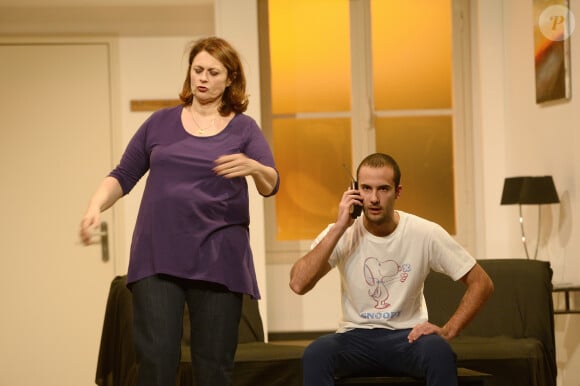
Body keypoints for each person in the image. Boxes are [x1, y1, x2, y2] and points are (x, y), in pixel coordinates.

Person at [79, 36, 279, 386]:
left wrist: (253, 166)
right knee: (156, 362)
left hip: (220, 258)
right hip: (158, 256)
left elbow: (270, 184)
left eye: (213, 72)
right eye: (197, 70)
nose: (202, 78)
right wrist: (95, 205)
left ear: (230, 78)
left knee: (213, 368)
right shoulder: (160, 123)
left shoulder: (243, 128)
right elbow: (124, 175)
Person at [289, 153, 493, 386]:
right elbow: (298, 283)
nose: (374, 198)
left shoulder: (424, 232)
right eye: (366, 188)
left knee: (439, 351)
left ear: (398, 192)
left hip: (408, 336)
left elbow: (482, 283)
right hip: (355, 337)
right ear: (355, 191)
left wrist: (448, 330)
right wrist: (339, 227)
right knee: (316, 354)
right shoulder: (342, 232)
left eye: (383, 189)